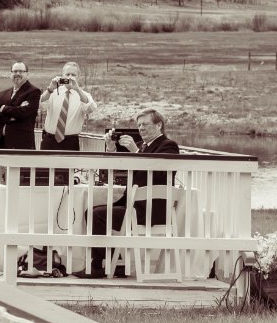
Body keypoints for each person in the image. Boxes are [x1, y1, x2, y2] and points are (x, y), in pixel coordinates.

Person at [78, 109, 181, 279]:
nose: (141, 128)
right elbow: (122, 167)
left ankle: (98, 266)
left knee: (96, 215)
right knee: (94, 211)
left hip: (150, 210)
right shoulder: (144, 147)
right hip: (134, 205)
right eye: (139, 124)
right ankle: (115, 265)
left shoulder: (168, 145)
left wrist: (135, 151)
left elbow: (159, 173)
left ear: (159, 125)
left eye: (145, 124)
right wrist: (111, 148)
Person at [40, 61, 95, 151]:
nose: (70, 77)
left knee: (68, 165)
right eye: (67, 74)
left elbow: (90, 108)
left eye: (73, 75)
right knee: (44, 165)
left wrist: (78, 90)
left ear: (79, 77)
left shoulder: (84, 95)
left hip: (70, 142)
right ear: (62, 75)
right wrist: (50, 89)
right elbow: (40, 105)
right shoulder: (53, 92)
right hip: (49, 140)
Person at [0, 61, 41, 150]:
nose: (17, 74)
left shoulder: (34, 92)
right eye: (15, 71)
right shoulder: (4, 94)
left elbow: (23, 113)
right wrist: (10, 117)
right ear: (10, 74)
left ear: (27, 74)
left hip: (21, 144)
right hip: (1, 143)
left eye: (21, 71)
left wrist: (4, 108)